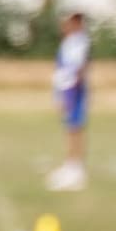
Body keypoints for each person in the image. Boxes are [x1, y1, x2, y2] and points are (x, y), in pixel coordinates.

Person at [46, 10, 93, 189]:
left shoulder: (78, 42)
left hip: (73, 90)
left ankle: (75, 169)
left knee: (74, 128)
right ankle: (71, 165)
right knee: (71, 128)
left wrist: (70, 92)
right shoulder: (70, 41)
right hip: (68, 88)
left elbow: (78, 68)